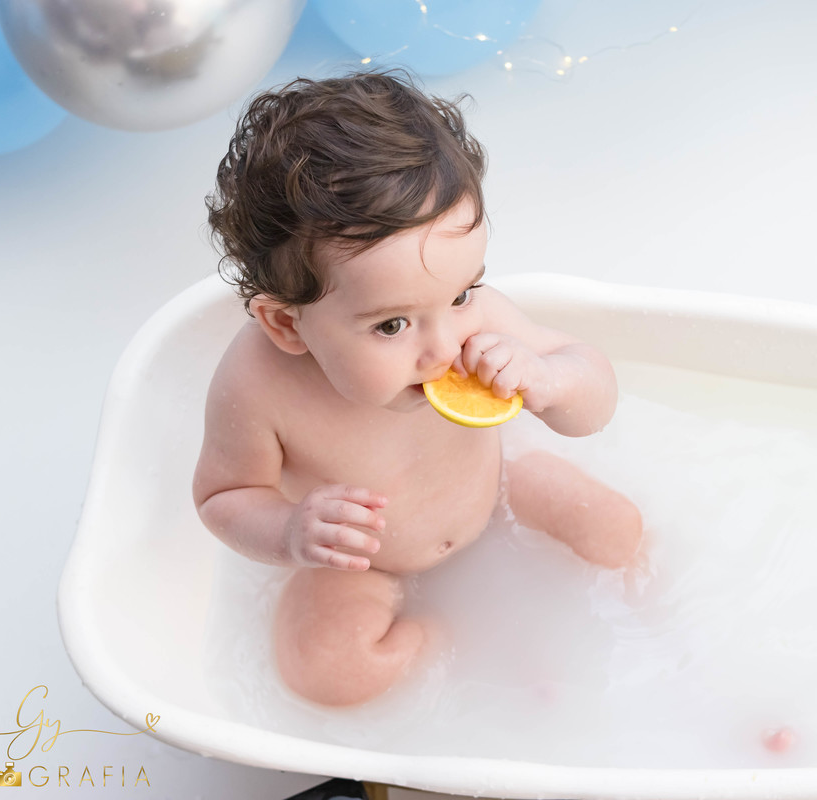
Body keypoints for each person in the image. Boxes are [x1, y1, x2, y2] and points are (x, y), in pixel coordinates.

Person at [193, 70, 643, 707]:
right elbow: (224, 495)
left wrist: (549, 379)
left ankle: (644, 618)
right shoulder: (258, 386)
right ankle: (461, 645)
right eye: (392, 324)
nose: (443, 348)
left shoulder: (478, 320)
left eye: (459, 294)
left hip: (501, 496)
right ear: (288, 323)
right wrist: (291, 531)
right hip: (364, 562)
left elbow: (593, 404)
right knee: (327, 672)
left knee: (620, 531)